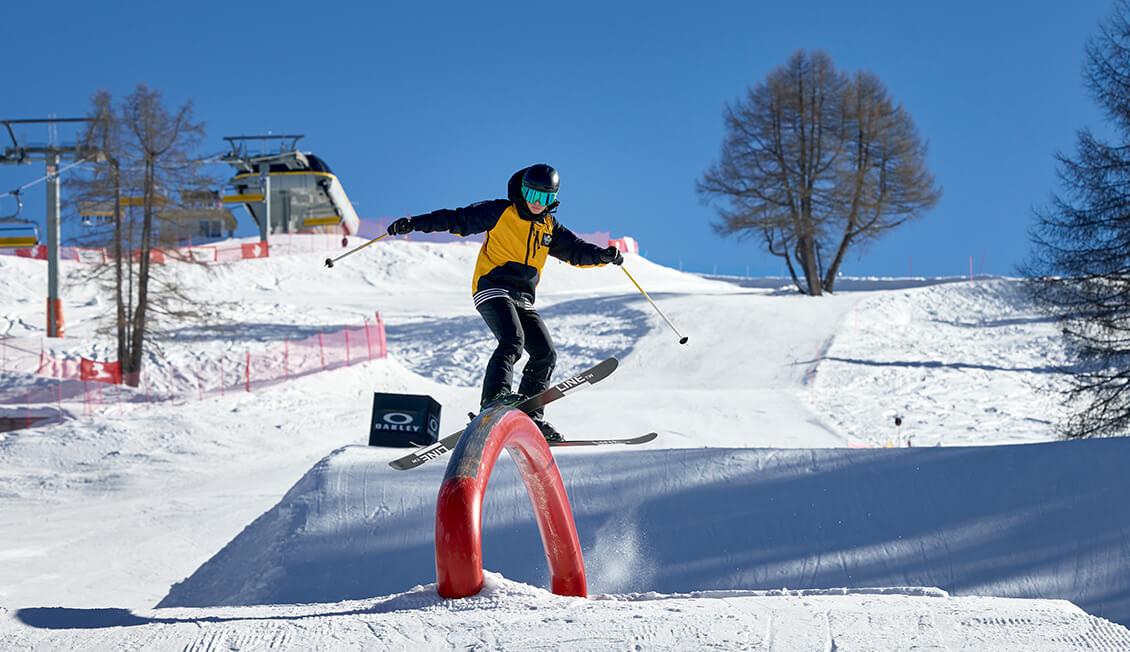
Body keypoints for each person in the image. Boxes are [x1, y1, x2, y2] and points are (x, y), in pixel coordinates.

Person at [387, 163, 624, 441]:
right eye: (531, 195)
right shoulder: (501, 212)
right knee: (513, 340)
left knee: (545, 353)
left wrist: (602, 256)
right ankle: (494, 398)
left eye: (545, 198)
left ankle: (530, 416)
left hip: (523, 297)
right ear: (521, 191)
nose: (536, 203)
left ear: (554, 199)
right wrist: (415, 223)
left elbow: (575, 250)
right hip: (493, 287)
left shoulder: (549, 227)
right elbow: (456, 219)